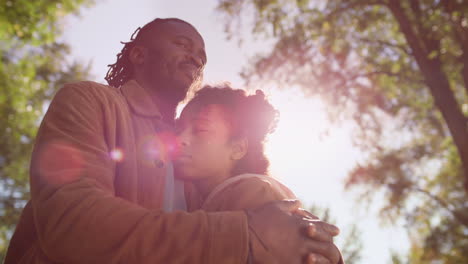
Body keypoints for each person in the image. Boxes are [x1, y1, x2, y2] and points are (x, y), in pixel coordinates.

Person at [5, 18, 342, 264]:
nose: (196, 58)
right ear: (138, 55)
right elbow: (72, 224)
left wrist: (307, 242)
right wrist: (244, 234)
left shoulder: (194, 163)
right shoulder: (89, 101)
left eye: (201, 55)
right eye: (182, 44)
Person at [174, 84, 343, 263]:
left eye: (200, 130)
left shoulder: (252, 191)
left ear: (238, 148)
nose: (180, 139)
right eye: (178, 129)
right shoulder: (221, 194)